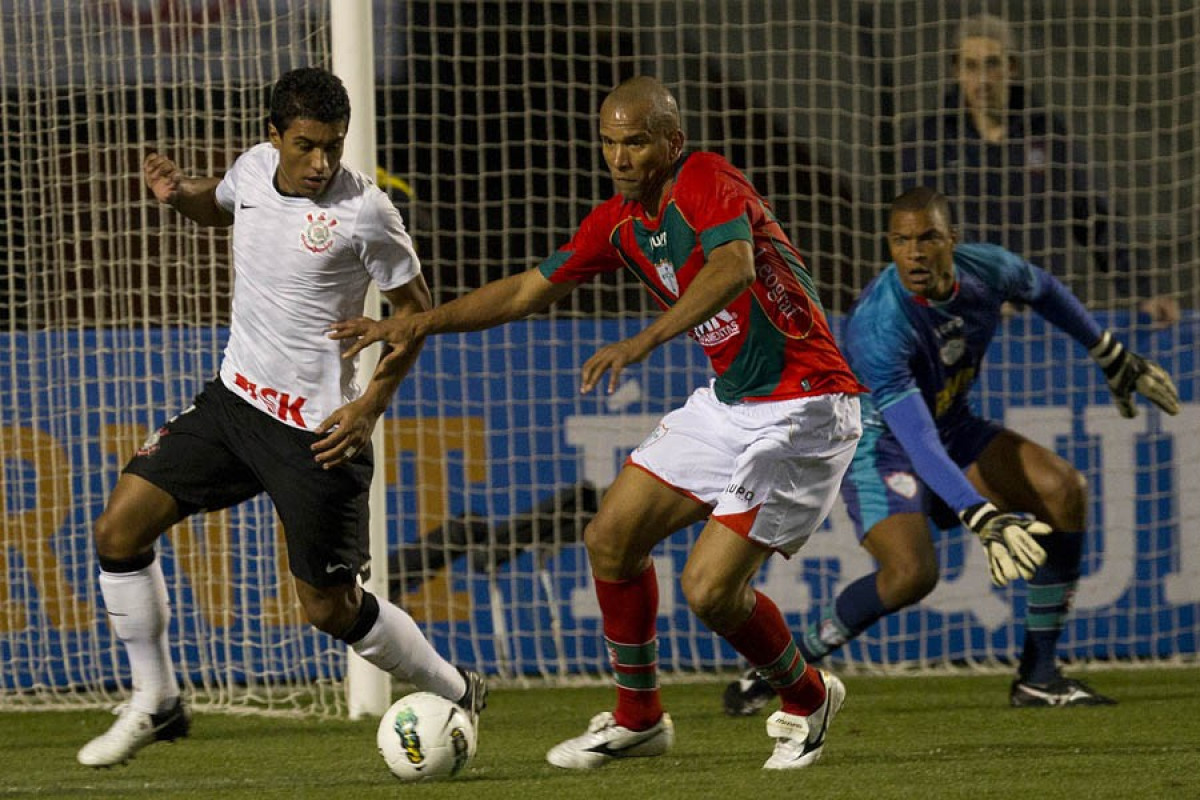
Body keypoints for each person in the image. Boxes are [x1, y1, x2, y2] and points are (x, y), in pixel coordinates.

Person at [331, 75, 865, 770]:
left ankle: (806, 696)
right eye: (610, 142)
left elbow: (732, 269)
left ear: (672, 142)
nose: (620, 157)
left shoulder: (707, 179)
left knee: (708, 591)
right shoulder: (617, 221)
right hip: (733, 402)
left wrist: (645, 340)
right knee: (610, 538)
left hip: (808, 404)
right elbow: (526, 290)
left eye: (636, 142)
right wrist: (413, 322)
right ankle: (639, 717)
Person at [76, 67, 486, 769]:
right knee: (118, 529)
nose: (321, 163)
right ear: (274, 136)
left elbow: (416, 311)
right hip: (234, 404)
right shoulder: (254, 168)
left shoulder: (366, 212)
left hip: (320, 435)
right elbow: (220, 204)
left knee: (329, 608)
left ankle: (454, 687)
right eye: (306, 146)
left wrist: (369, 407)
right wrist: (179, 197)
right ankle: (157, 700)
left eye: (333, 146)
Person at [722, 186, 1179, 717]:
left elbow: (1045, 289)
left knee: (1064, 490)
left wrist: (1106, 350)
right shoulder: (880, 324)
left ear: (951, 240)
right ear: (889, 245)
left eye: (928, 238)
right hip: (878, 444)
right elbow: (915, 437)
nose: (915, 252)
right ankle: (783, 664)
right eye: (902, 240)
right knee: (912, 575)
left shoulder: (986, 269)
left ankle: (1038, 676)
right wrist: (980, 515)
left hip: (951, 427)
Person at [899, 13, 1179, 328]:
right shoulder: (929, 141)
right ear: (956, 70)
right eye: (971, 66)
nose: (982, 80)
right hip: (961, 319)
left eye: (993, 64)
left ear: (1012, 67)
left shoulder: (1047, 135)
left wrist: (1146, 290)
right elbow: (916, 240)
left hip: (1039, 323)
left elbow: (1096, 220)